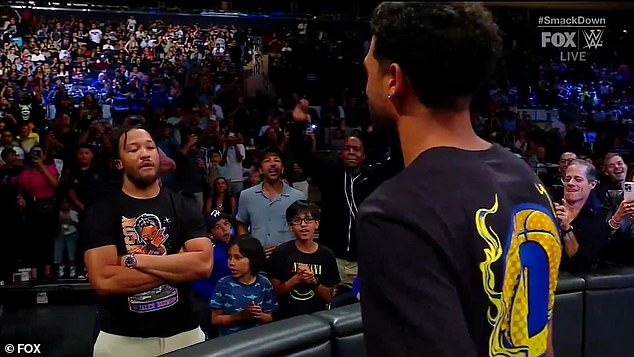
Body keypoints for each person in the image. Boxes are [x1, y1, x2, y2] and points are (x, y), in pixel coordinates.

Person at [356, 3, 561, 357]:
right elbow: (543, 344)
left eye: (369, 67)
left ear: (393, 79)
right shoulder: (525, 178)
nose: (365, 82)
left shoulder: (396, 213)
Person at [83, 127, 213, 357]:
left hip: (185, 334)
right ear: (118, 163)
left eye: (150, 147)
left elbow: (202, 265)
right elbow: (104, 279)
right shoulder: (102, 211)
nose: (144, 153)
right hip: (122, 340)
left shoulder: (183, 205)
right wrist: (180, 265)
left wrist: (133, 260)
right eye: (133, 149)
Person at [267, 200, 340, 319]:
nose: (303, 224)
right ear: (290, 226)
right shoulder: (280, 253)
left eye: (308, 219)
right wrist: (296, 280)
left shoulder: (327, 255)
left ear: (316, 224)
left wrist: (313, 281)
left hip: (317, 321)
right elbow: (273, 294)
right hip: (284, 320)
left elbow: (329, 297)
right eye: (297, 220)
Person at [210, 236, 277, 336]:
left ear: (253, 259)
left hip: (256, 339)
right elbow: (215, 319)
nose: (231, 263)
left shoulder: (264, 283)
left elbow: (269, 317)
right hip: (230, 342)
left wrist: (258, 315)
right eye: (229, 257)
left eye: (238, 258)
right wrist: (239, 316)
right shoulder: (223, 284)